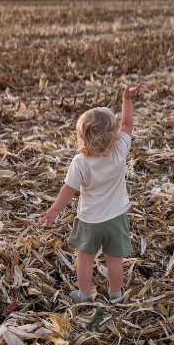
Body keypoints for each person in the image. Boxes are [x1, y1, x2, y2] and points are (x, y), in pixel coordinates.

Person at [38, 83, 142, 304]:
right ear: (113, 135)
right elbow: (127, 124)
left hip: (90, 220)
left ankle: (84, 295)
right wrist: (127, 99)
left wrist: (54, 210)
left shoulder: (80, 162)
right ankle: (116, 295)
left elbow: (68, 189)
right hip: (116, 218)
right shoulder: (120, 149)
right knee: (115, 260)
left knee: (85, 259)